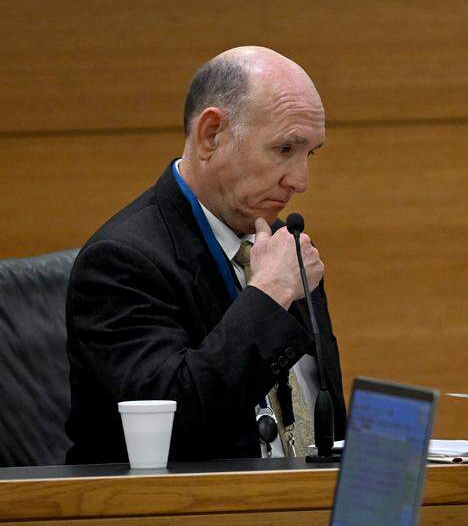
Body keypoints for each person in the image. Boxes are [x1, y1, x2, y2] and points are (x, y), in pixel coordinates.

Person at [66, 46, 346, 465]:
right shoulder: (120, 263)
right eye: (285, 149)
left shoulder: (285, 248)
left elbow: (324, 422)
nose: (300, 181)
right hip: (185, 517)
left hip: (304, 508)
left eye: (311, 153)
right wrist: (268, 295)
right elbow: (171, 426)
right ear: (212, 134)